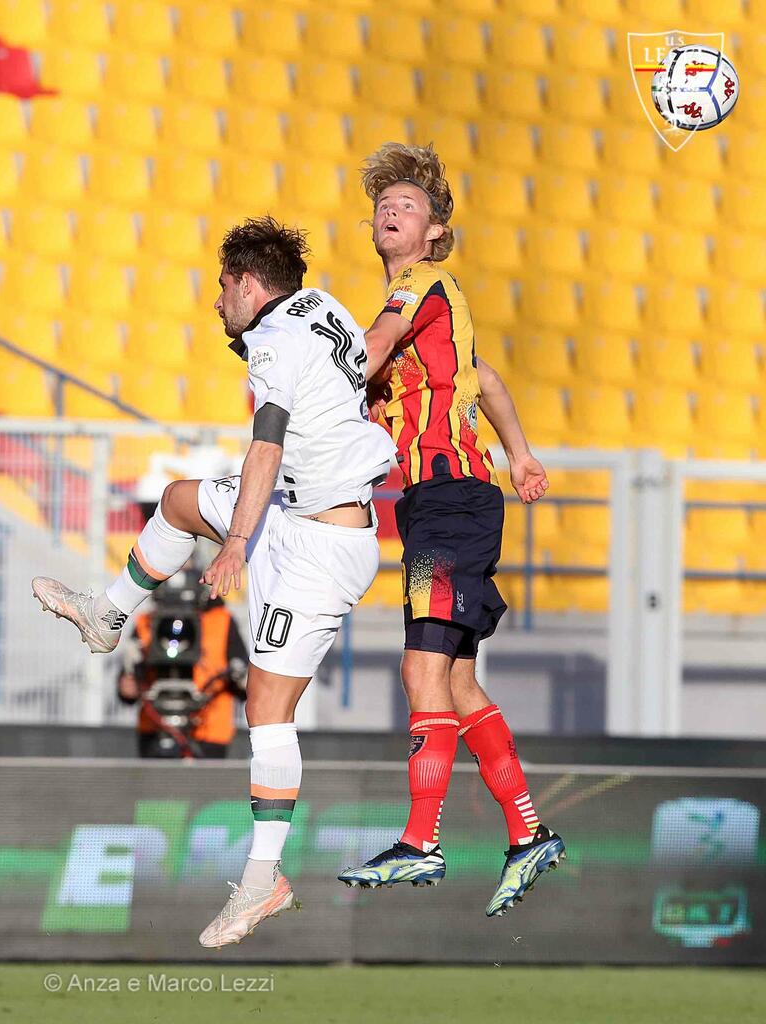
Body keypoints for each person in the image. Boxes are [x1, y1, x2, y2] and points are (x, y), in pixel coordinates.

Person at [32, 215, 397, 947]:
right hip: (293, 508)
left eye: (224, 285)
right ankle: (107, 614)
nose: (218, 300)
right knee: (177, 502)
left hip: (317, 544)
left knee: (267, 710)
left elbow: (267, 443)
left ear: (249, 284)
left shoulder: (273, 339)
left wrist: (234, 544)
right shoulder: (322, 305)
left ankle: (264, 879)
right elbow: (366, 362)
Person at [337, 143, 565, 917]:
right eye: (382, 205)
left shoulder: (415, 286)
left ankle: (420, 841)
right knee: (458, 681)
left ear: (434, 231)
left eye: (407, 204)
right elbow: (485, 377)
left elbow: (369, 349)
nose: (390, 211)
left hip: (447, 501)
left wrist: (305, 383)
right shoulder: (438, 311)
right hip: (450, 503)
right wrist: (521, 454)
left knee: (420, 673)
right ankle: (528, 834)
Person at [117, 569, 248, 759]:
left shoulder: (222, 620)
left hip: (209, 731)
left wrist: (237, 678)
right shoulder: (146, 622)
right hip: (155, 728)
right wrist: (127, 684)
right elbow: (127, 681)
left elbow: (242, 675)